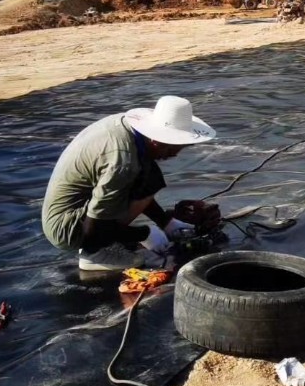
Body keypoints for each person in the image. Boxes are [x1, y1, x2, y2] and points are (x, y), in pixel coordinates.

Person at [41, 95, 217, 271]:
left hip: (78, 209)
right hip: (66, 229)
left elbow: (142, 183)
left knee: (149, 174)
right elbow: (96, 227)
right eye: (172, 149)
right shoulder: (122, 163)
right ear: (156, 141)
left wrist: (166, 222)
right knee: (136, 174)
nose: (175, 155)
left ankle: (109, 239)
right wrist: (145, 234)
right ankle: (94, 254)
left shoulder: (129, 131)